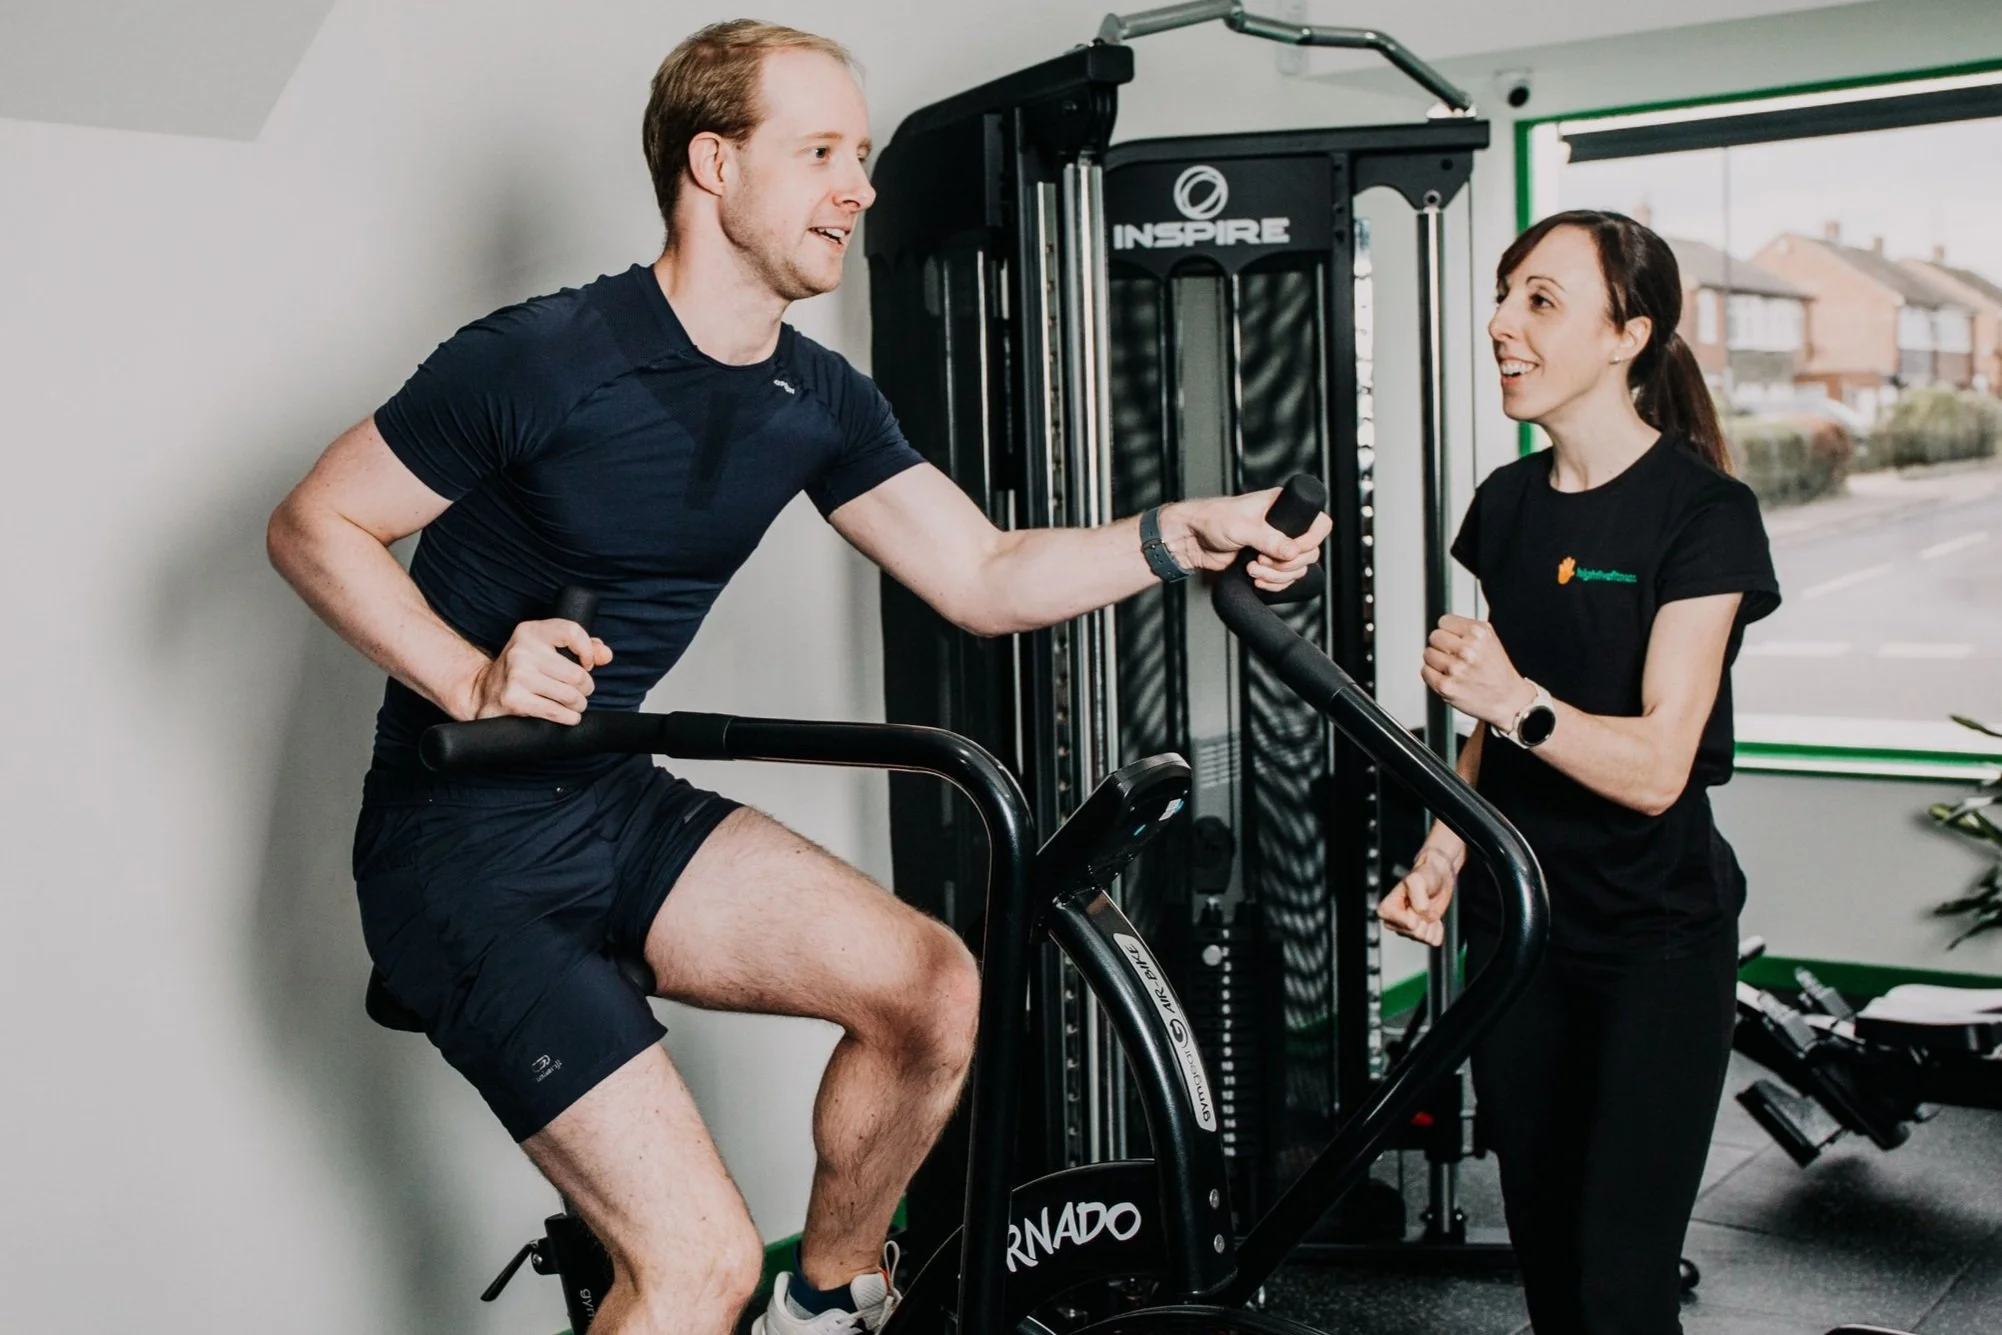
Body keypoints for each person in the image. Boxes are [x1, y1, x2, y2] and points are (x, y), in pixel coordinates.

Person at [265, 19, 1328, 1335]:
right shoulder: (544, 357)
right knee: (697, 1264)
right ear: (712, 164)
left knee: (930, 987)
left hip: (608, 806)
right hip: (456, 844)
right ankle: (737, 1291)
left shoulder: (813, 396)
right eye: (821, 150)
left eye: (864, 154)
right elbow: (314, 521)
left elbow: (983, 574)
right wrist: (467, 667)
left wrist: (1178, 534)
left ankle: (824, 1301)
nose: (859, 186)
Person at [1377, 209, 1780, 1335]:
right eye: (1505, 294)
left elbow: (1657, 767)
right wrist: (1443, 852)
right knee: (1551, 1269)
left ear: (1626, 335)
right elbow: (1487, 733)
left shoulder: (1703, 514)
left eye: (1540, 301)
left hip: (1653, 938)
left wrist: (1513, 698)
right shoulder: (1505, 506)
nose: (1502, 323)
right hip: (1524, 934)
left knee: (1619, 1280)